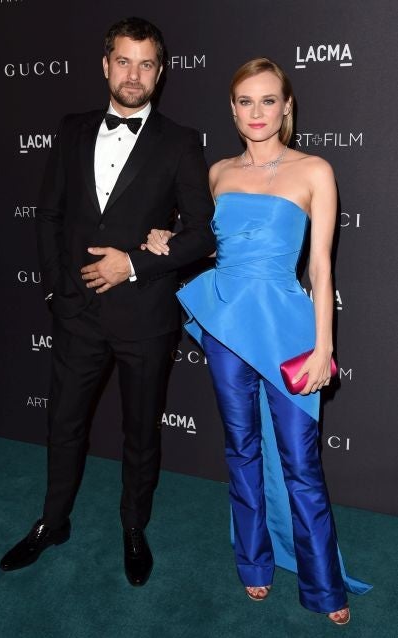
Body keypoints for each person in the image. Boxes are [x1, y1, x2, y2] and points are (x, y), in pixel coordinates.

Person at [143, 57, 371, 622]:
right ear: (233, 109)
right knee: (241, 450)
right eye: (245, 101)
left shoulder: (314, 170)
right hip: (227, 328)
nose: (257, 112)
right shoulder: (217, 173)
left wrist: (324, 348)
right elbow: (211, 243)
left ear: (286, 106)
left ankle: (323, 585)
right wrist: (169, 237)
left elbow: (320, 267)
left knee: (300, 461)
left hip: (286, 330)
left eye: (268, 100)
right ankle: (253, 561)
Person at [0, 16, 215, 586]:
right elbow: (48, 214)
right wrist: (55, 289)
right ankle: (52, 522)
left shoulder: (181, 141)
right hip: (76, 313)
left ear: (160, 73)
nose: (134, 75)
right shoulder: (71, 130)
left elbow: (201, 233)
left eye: (146, 64)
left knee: (141, 433)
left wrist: (134, 263)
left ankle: (134, 527)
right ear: (105, 65)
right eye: (124, 61)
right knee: (63, 425)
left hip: (145, 315)